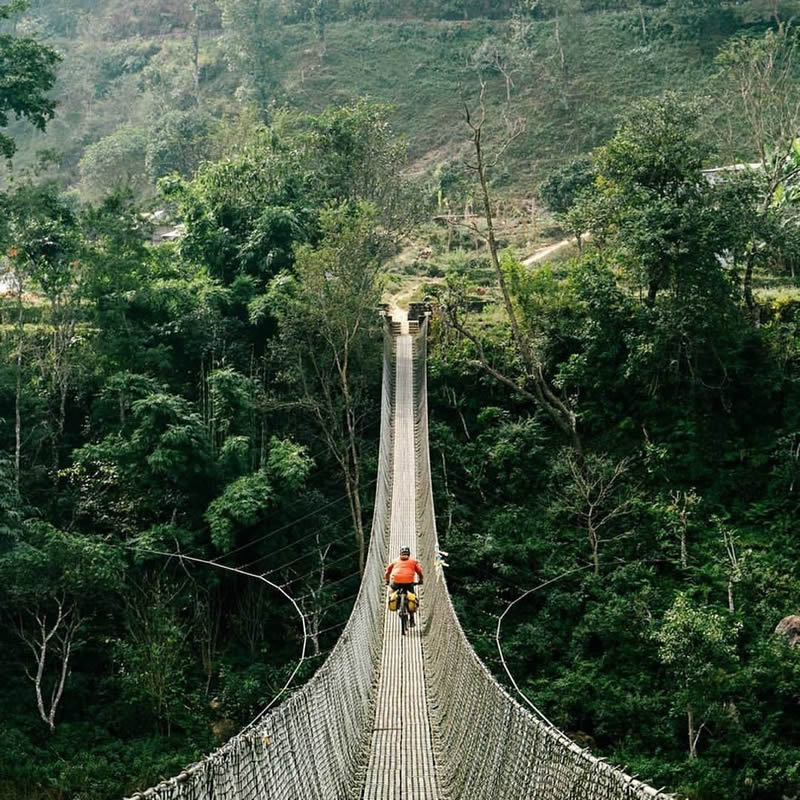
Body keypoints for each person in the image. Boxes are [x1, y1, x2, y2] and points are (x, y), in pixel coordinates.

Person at [385, 546, 423, 627]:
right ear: (409, 554)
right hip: (409, 582)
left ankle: (392, 601)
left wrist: (387, 581)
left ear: (400, 553)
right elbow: (420, 572)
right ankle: (412, 619)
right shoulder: (413, 561)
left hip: (396, 581)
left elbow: (387, 572)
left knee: (391, 589)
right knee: (413, 596)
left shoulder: (395, 561)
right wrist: (421, 580)